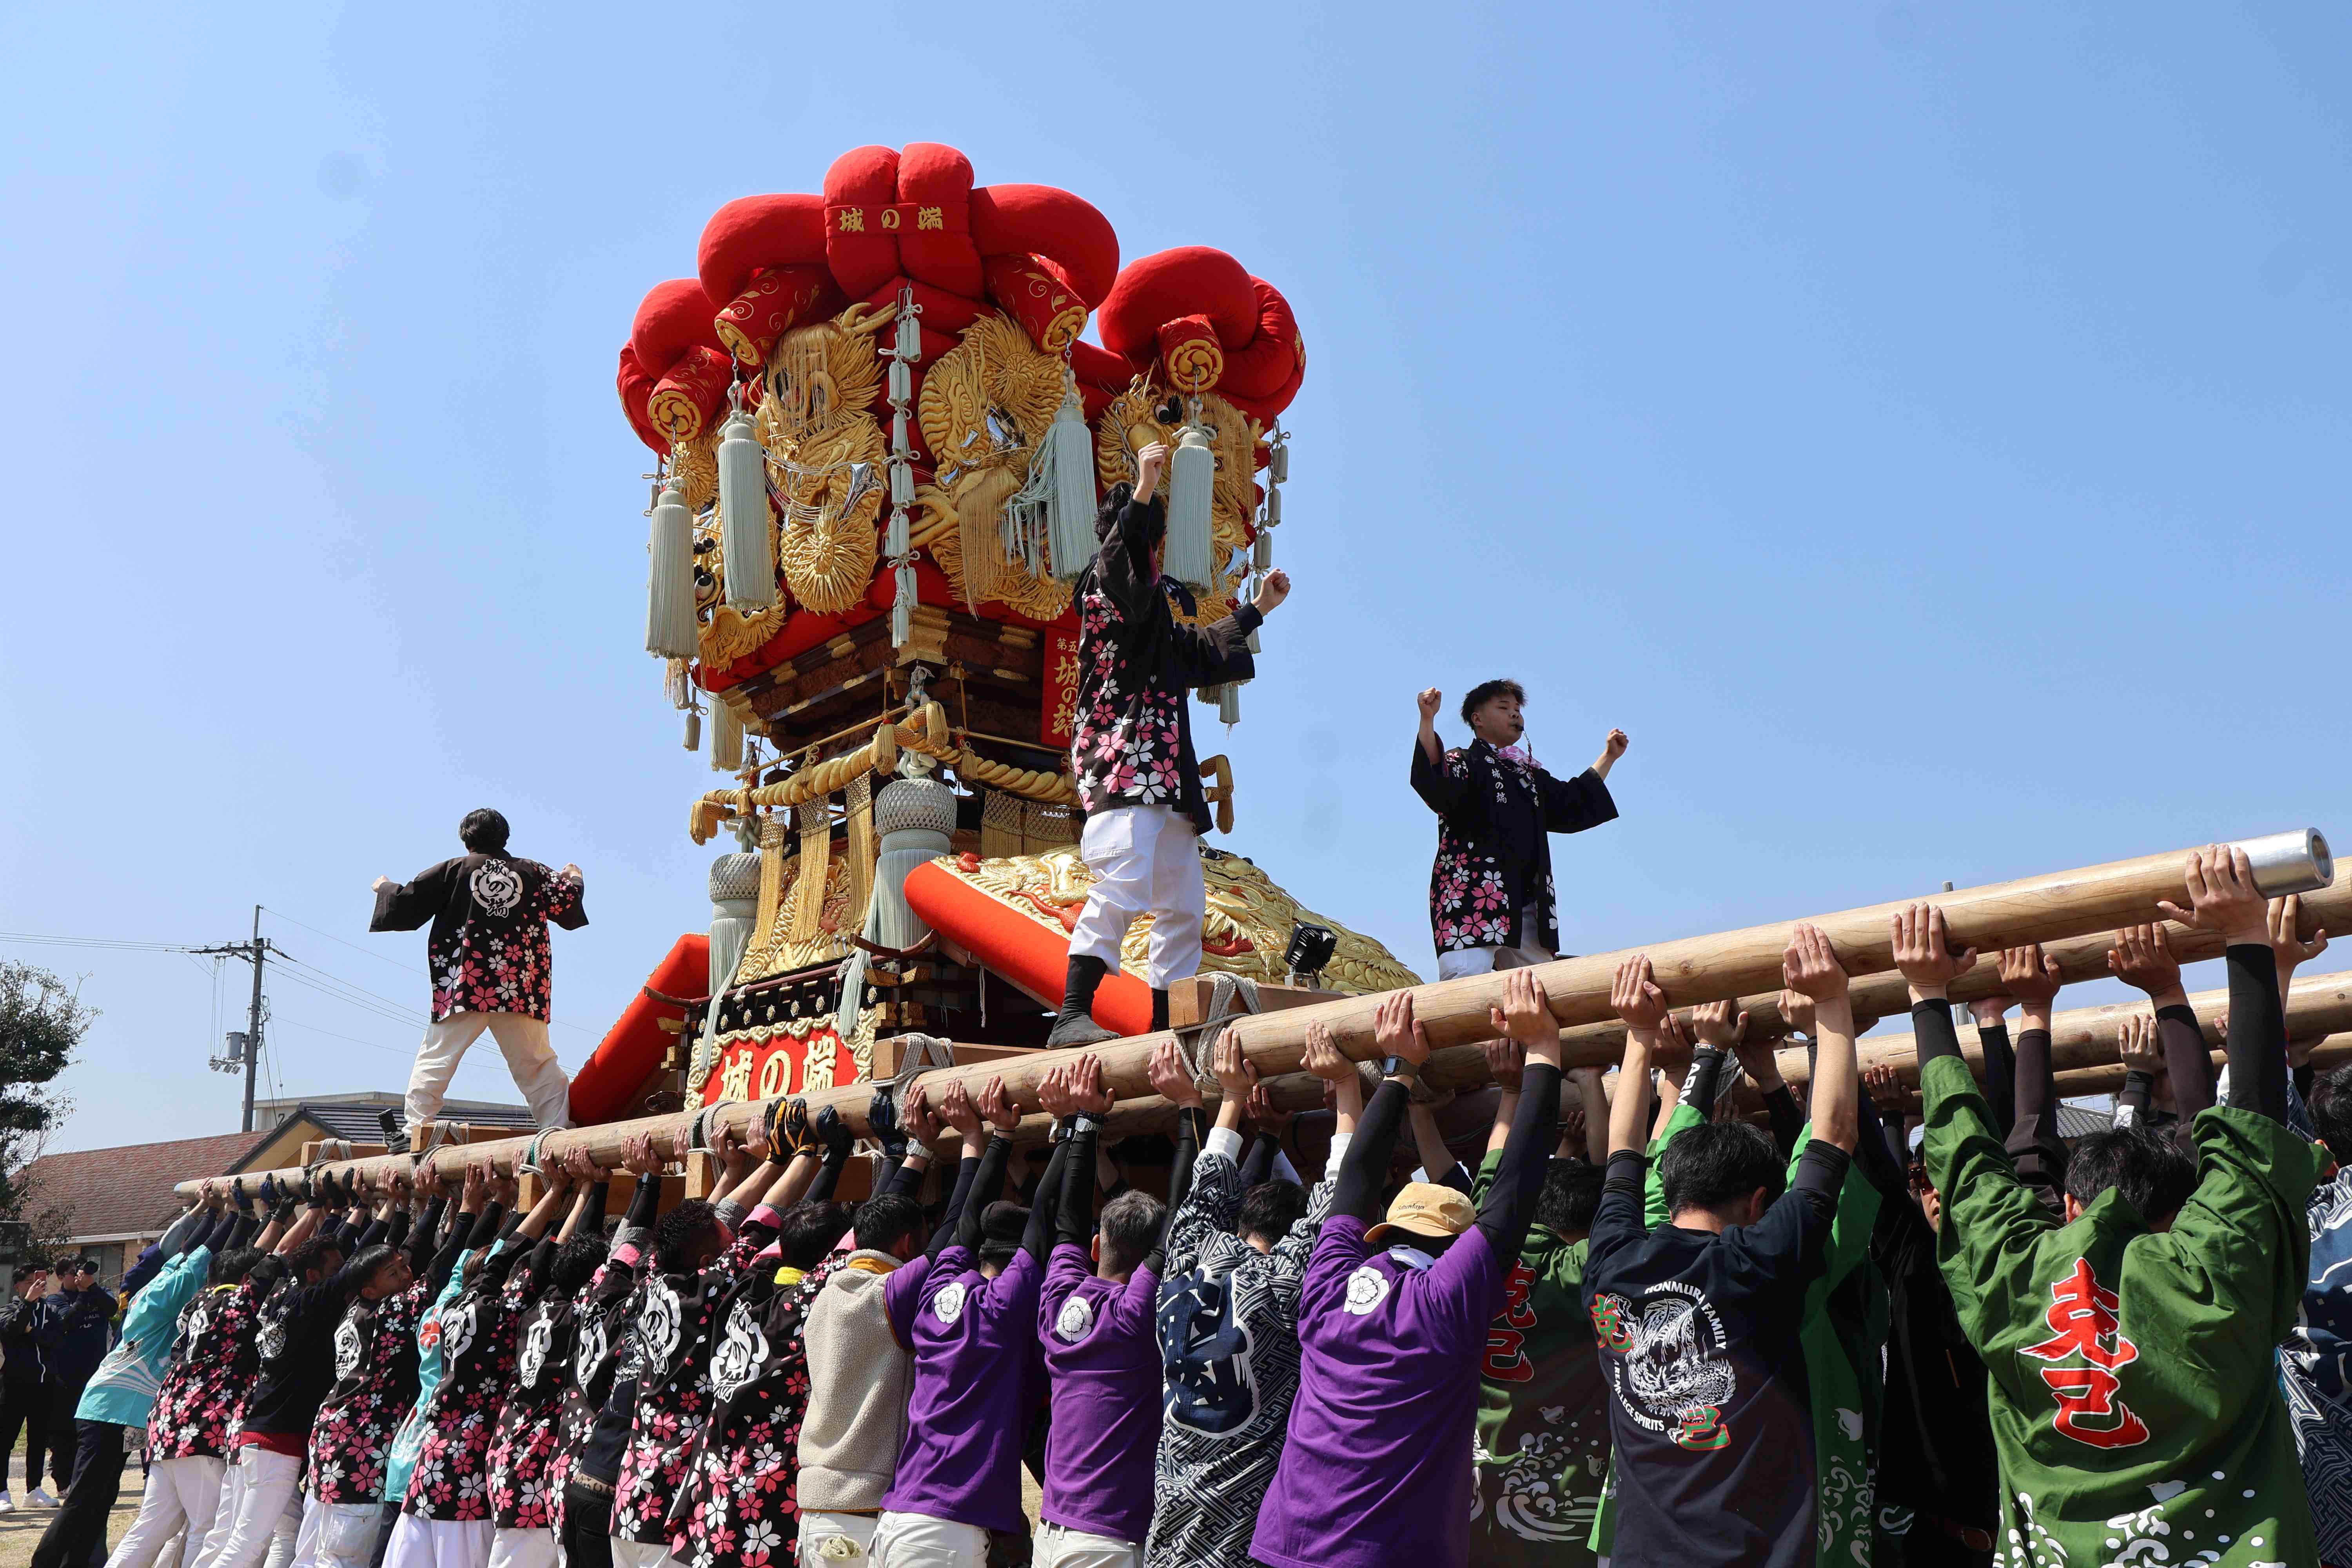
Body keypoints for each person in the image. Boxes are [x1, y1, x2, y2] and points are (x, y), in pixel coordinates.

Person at [1913, 848, 2324, 1564]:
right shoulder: (2211, 1277)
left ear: (2068, 1205)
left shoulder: (2017, 1282)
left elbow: (1969, 1166)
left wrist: (1925, 995)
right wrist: (2243, 948)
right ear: (2178, 1209)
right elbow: (2248, 1137)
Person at [1252, 975, 1563, 1568]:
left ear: (1384, 1233)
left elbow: (1352, 1186)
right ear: (1453, 1247)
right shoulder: (1443, 1300)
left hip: (1287, 1545)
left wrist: (1398, 1072)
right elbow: (1512, 1200)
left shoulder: (1329, 1288)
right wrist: (1543, 1052)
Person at [1581, 931, 1861, 1568]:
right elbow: (1839, 1135)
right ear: (1760, 1205)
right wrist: (1832, 1004)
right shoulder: (1756, 1266)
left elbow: (1623, 1157)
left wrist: (1635, 1036)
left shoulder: (1613, 1267)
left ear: (1671, 1183)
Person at [1050, 442, 1293, 1044]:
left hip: (1165, 769)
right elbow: (1123, 559)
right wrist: (1145, 482)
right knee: (1124, 882)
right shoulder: (1105, 585)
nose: (1152, 555)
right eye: (1150, 543)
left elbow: (1198, 652)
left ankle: (1169, 1025)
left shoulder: (1152, 615)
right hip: (1124, 755)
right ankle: (1072, 1013)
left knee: (1183, 902)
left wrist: (1257, 610)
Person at [1145, 1032, 1343, 1568]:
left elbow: (1203, 1193)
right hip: (1234, 1545)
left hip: (1168, 1536)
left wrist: (1231, 1096)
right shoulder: (1283, 1286)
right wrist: (1349, 1090)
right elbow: (1335, 1206)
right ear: (1288, 1236)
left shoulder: (1184, 1263)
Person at [873, 1077, 1073, 1567]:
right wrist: (1074, 1130)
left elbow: (964, 1222)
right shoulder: (1004, 1306)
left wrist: (999, 1137)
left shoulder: (937, 1287)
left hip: (900, 1517)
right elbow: (1045, 1220)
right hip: (944, 1529)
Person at [795, 1089, 973, 1568]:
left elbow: (873, 1227)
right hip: (859, 1505)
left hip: (815, 1503)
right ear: (908, 1243)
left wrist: (916, 1150)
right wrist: (978, 1142)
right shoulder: (886, 1294)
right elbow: (953, 1235)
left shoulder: (824, 1287)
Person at [1469, 1044, 1612, 1566]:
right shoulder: (1573, 1273)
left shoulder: (1476, 1254)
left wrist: (1510, 1091)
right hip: (1558, 1510)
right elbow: (1619, 1193)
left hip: (1475, 1495)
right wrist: (1591, 1081)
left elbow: (1494, 1173)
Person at [41, 1194, 240, 1568]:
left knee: (102, 1496)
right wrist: (237, 1218)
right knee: (86, 1496)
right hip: (109, 1407)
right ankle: (48, 1562)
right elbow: (197, 1258)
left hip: (117, 1407)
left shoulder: (160, 1281)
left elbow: (184, 1250)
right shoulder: (160, 1296)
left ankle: (85, 1561)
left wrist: (215, 1213)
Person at [369, 808, 587, 1142]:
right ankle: (556, 1133)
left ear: (466, 838)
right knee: (539, 1066)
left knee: (437, 1058)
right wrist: (574, 876)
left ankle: (415, 1131)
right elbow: (567, 902)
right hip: (519, 987)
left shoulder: (454, 870)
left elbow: (406, 903)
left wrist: (384, 887)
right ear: (505, 836)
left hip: (465, 985)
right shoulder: (531, 871)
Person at [1030, 1057, 1170, 1568]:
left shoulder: (1058, 1299)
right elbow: (1177, 1219)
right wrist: (1193, 1111)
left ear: (1096, 1247)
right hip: (1107, 1537)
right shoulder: (1138, 1313)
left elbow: (1065, 1222)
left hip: (1051, 1529)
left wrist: (1084, 1124)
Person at [291, 1175, 455, 1568]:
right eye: (396, 1275)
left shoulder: (355, 1306)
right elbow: (438, 1273)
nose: (407, 1277)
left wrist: (413, 1206)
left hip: (332, 1446)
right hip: (357, 1457)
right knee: (342, 1560)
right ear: (370, 1288)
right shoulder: (392, 1313)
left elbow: (396, 1257)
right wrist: (462, 1209)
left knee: (313, 1555)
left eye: (403, 1270)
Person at [1409, 682, 1625, 980]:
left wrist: (1609, 757)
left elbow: (1571, 802)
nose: (1514, 715)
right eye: (1503, 708)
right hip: (1472, 897)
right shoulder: (1464, 761)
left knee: (1541, 988)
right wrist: (1428, 720)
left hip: (1526, 902)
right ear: (1478, 719)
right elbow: (1433, 778)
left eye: (1517, 710)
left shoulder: (1527, 775)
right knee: (1465, 983)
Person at [485, 1159, 609, 1568]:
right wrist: (589, 1191)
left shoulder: (526, 1304)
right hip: (529, 1471)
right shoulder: (579, 1312)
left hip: (511, 1457)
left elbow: (526, 1252)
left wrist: (581, 1191)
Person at [37, 1256, 121, 1493]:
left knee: (93, 1431)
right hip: (67, 1376)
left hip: (97, 1375)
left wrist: (91, 1288)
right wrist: (84, 1294)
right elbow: (68, 1322)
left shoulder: (98, 1293)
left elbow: (112, 1309)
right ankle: (64, 1482)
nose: (81, 1275)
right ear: (61, 1276)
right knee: (65, 1432)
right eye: (75, 1272)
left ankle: (87, 1478)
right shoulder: (56, 1299)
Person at [1, 1262, 56, 1511]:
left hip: (43, 1385)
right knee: (5, 1440)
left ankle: (34, 1489)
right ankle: (2, 1491)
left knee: (38, 1440)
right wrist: (27, 1303)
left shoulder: (51, 1311)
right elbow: (10, 1330)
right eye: (29, 1283)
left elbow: (57, 1340)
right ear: (18, 1285)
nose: (37, 1287)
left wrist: (32, 1330)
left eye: (40, 1282)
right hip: (13, 1385)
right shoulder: (8, 1310)